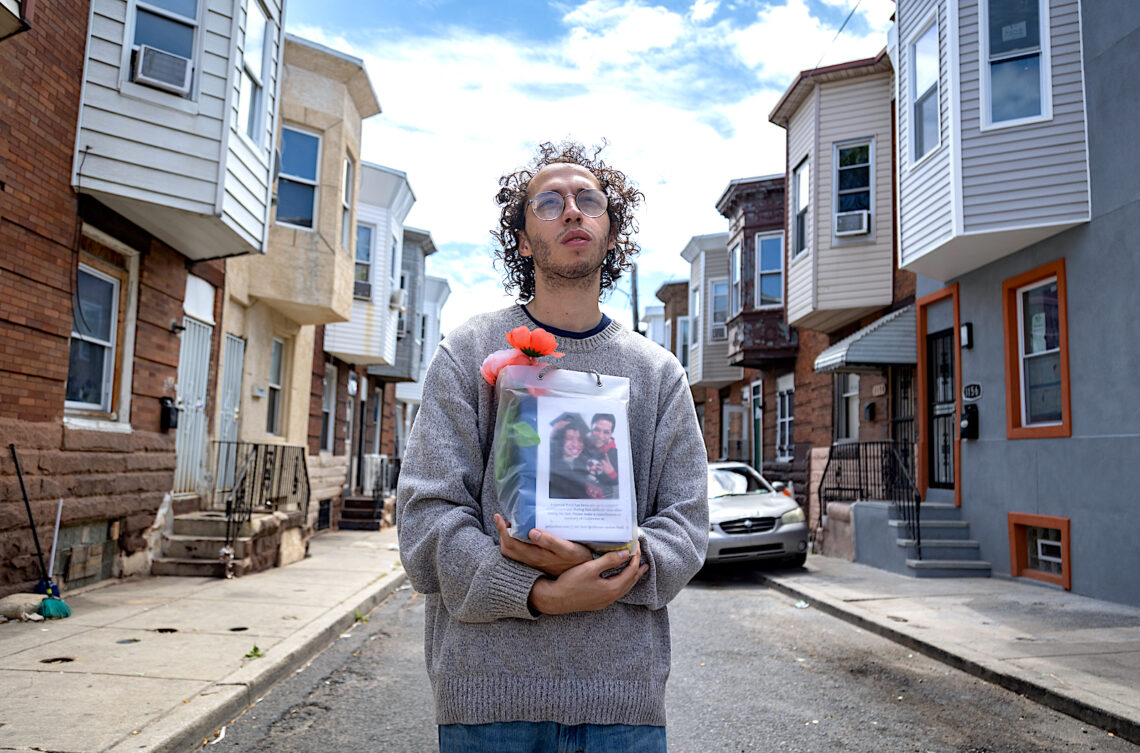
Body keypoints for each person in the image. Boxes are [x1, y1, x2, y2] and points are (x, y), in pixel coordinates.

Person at [396, 140, 708, 753]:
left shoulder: (657, 371)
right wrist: (541, 592)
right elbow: (426, 520)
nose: (572, 211)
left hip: (623, 702)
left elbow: (687, 525)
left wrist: (602, 567)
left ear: (610, 232)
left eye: (589, 200)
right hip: (490, 700)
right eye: (549, 202)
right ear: (520, 238)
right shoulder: (469, 349)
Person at [549, 415, 591, 499]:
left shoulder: (588, 465)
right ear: (561, 440)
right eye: (569, 438)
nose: (575, 444)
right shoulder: (550, 466)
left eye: (580, 440)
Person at [584, 412, 620, 498]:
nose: (600, 436)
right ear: (591, 428)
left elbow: (618, 485)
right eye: (597, 429)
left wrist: (611, 473)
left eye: (606, 432)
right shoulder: (581, 445)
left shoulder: (615, 454)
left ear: (611, 433)